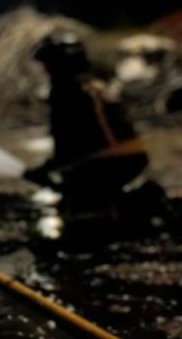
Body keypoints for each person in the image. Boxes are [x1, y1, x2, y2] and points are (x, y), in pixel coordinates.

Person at [25, 31, 151, 212]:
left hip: (108, 165)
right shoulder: (93, 86)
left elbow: (71, 143)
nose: (46, 71)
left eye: (49, 65)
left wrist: (45, 172)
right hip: (128, 161)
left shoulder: (69, 94)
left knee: (75, 215)